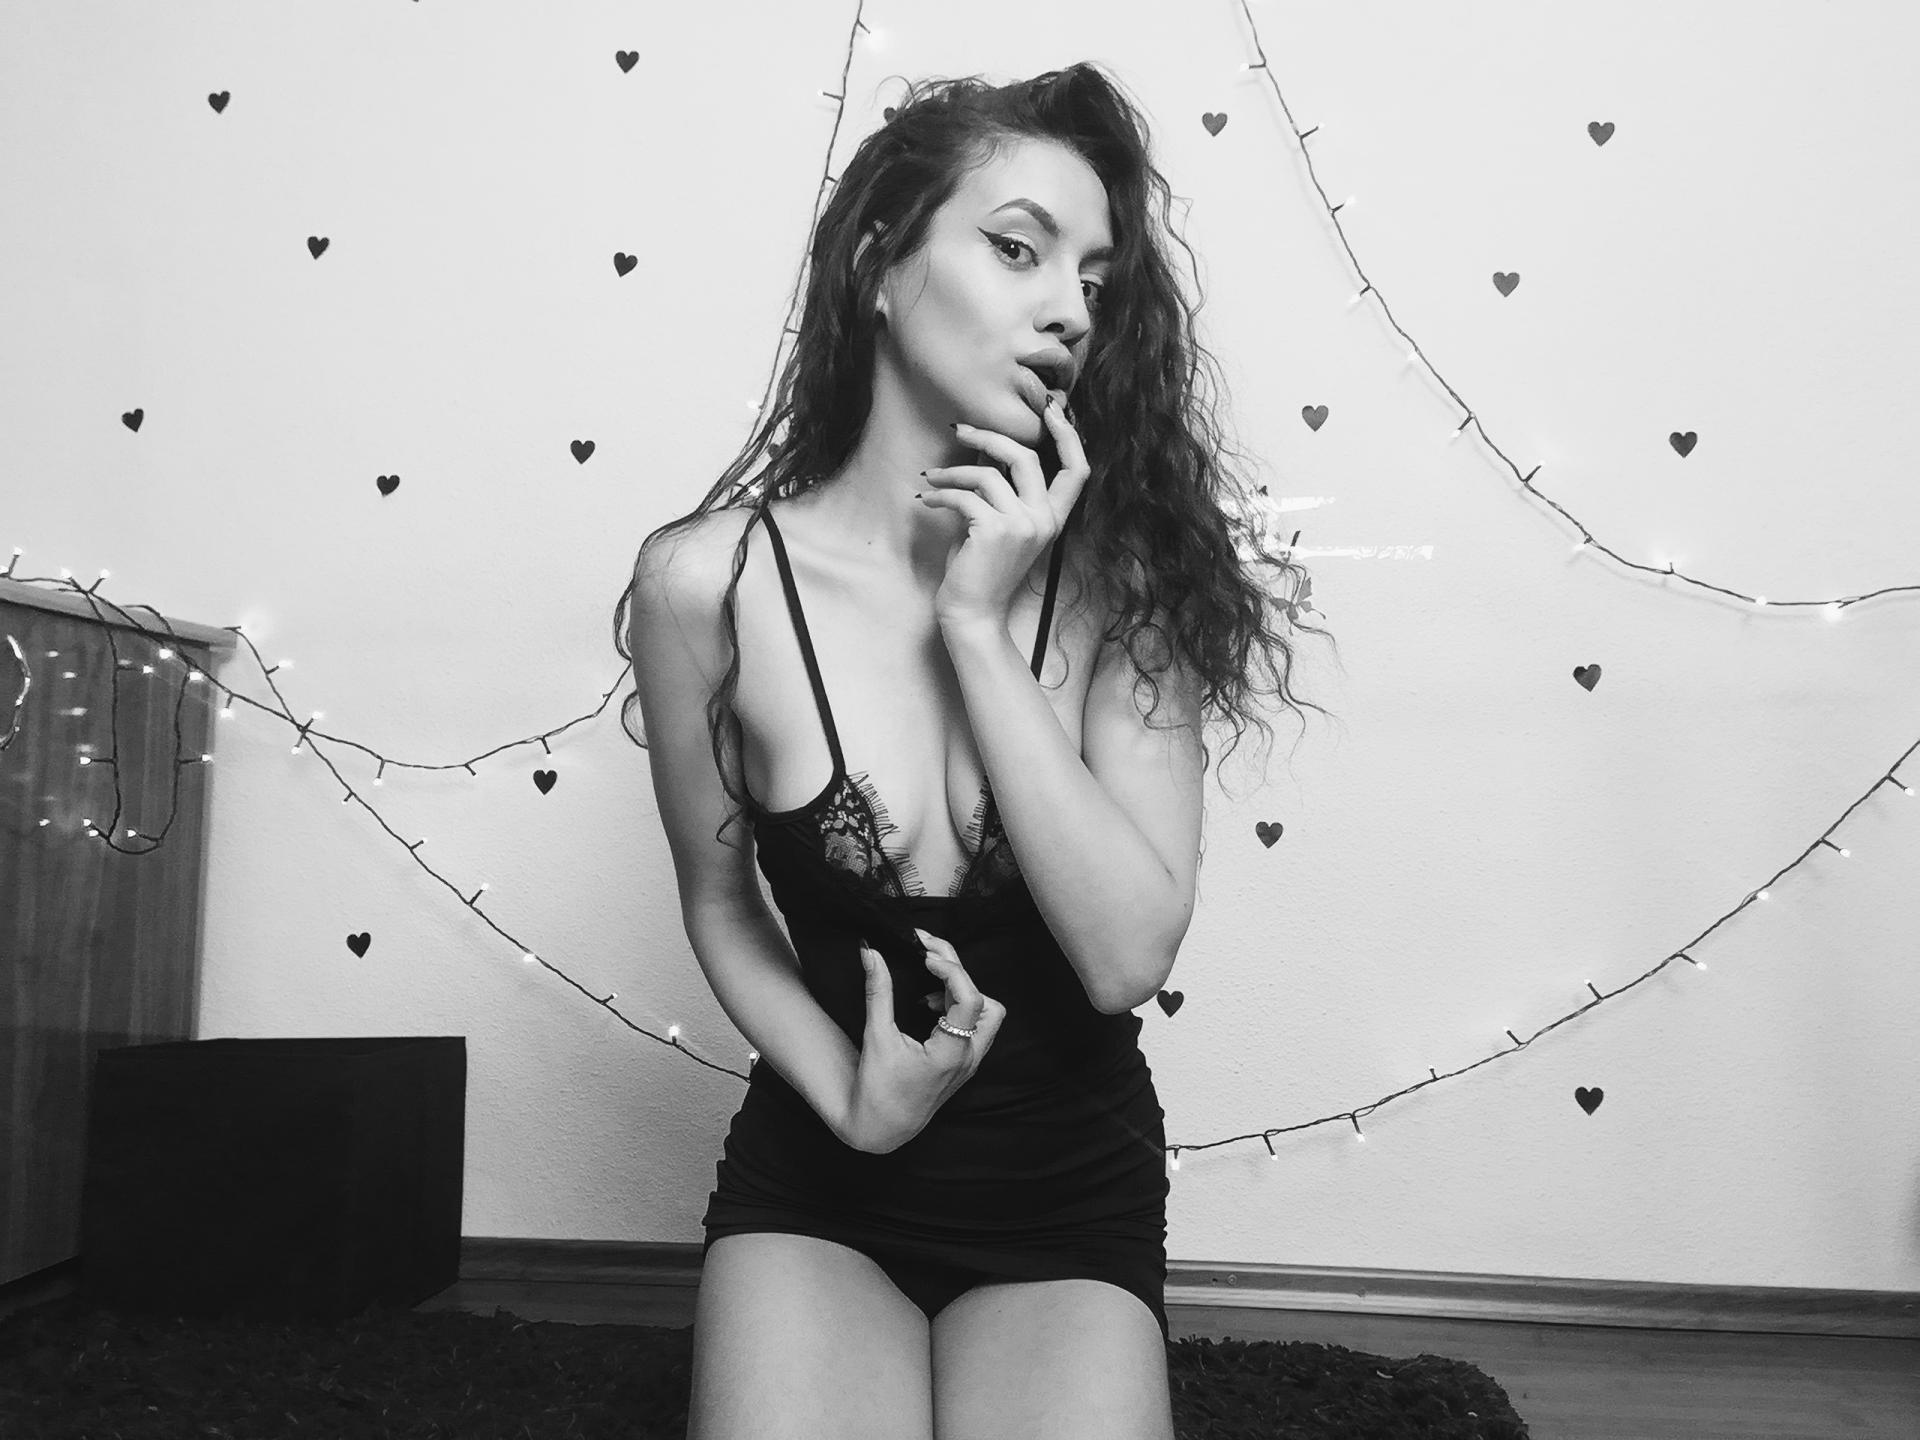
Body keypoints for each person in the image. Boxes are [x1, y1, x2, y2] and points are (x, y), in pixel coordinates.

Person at [616, 62, 1334, 1440]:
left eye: (1096, 281)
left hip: (1065, 1192)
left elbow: (1125, 957)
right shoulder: (707, 584)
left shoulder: (1131, 588)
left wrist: (976, 627)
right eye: (1018, 249)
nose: (1070, 309)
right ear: (879, 265)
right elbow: (720, 902)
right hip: (824, 1179)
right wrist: (850, 1098)